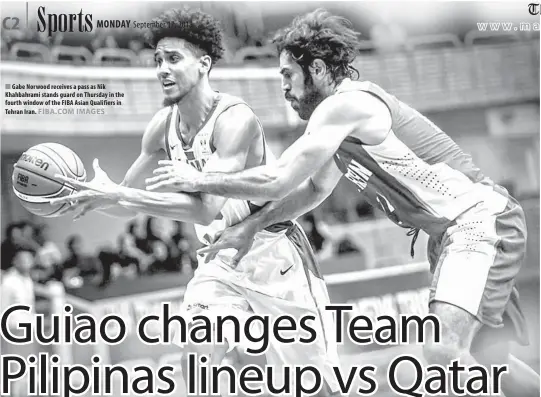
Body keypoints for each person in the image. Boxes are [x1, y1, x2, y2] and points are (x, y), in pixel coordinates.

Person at [141, 9, 540, 396]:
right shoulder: (339, 126)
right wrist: (249, 227)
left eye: (287, 74)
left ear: (315, 69)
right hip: (453, 233)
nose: (283, 86)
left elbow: (279, 179)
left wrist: (200, 178)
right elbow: (313, 191)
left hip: (476, 224)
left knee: (442, 352)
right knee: (488, 362)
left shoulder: (344, 106)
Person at [50, 7, 340, 395]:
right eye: (157, 60)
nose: (162, 70)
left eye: (173, 59)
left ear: (204, 64)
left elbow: (205, 207)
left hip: (274, 256)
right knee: (196, 353)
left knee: (316, 387)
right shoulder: (161, 127)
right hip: (218, 261)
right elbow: (128, 202)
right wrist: (95, 194)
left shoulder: (234, 120)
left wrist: (120, 194)